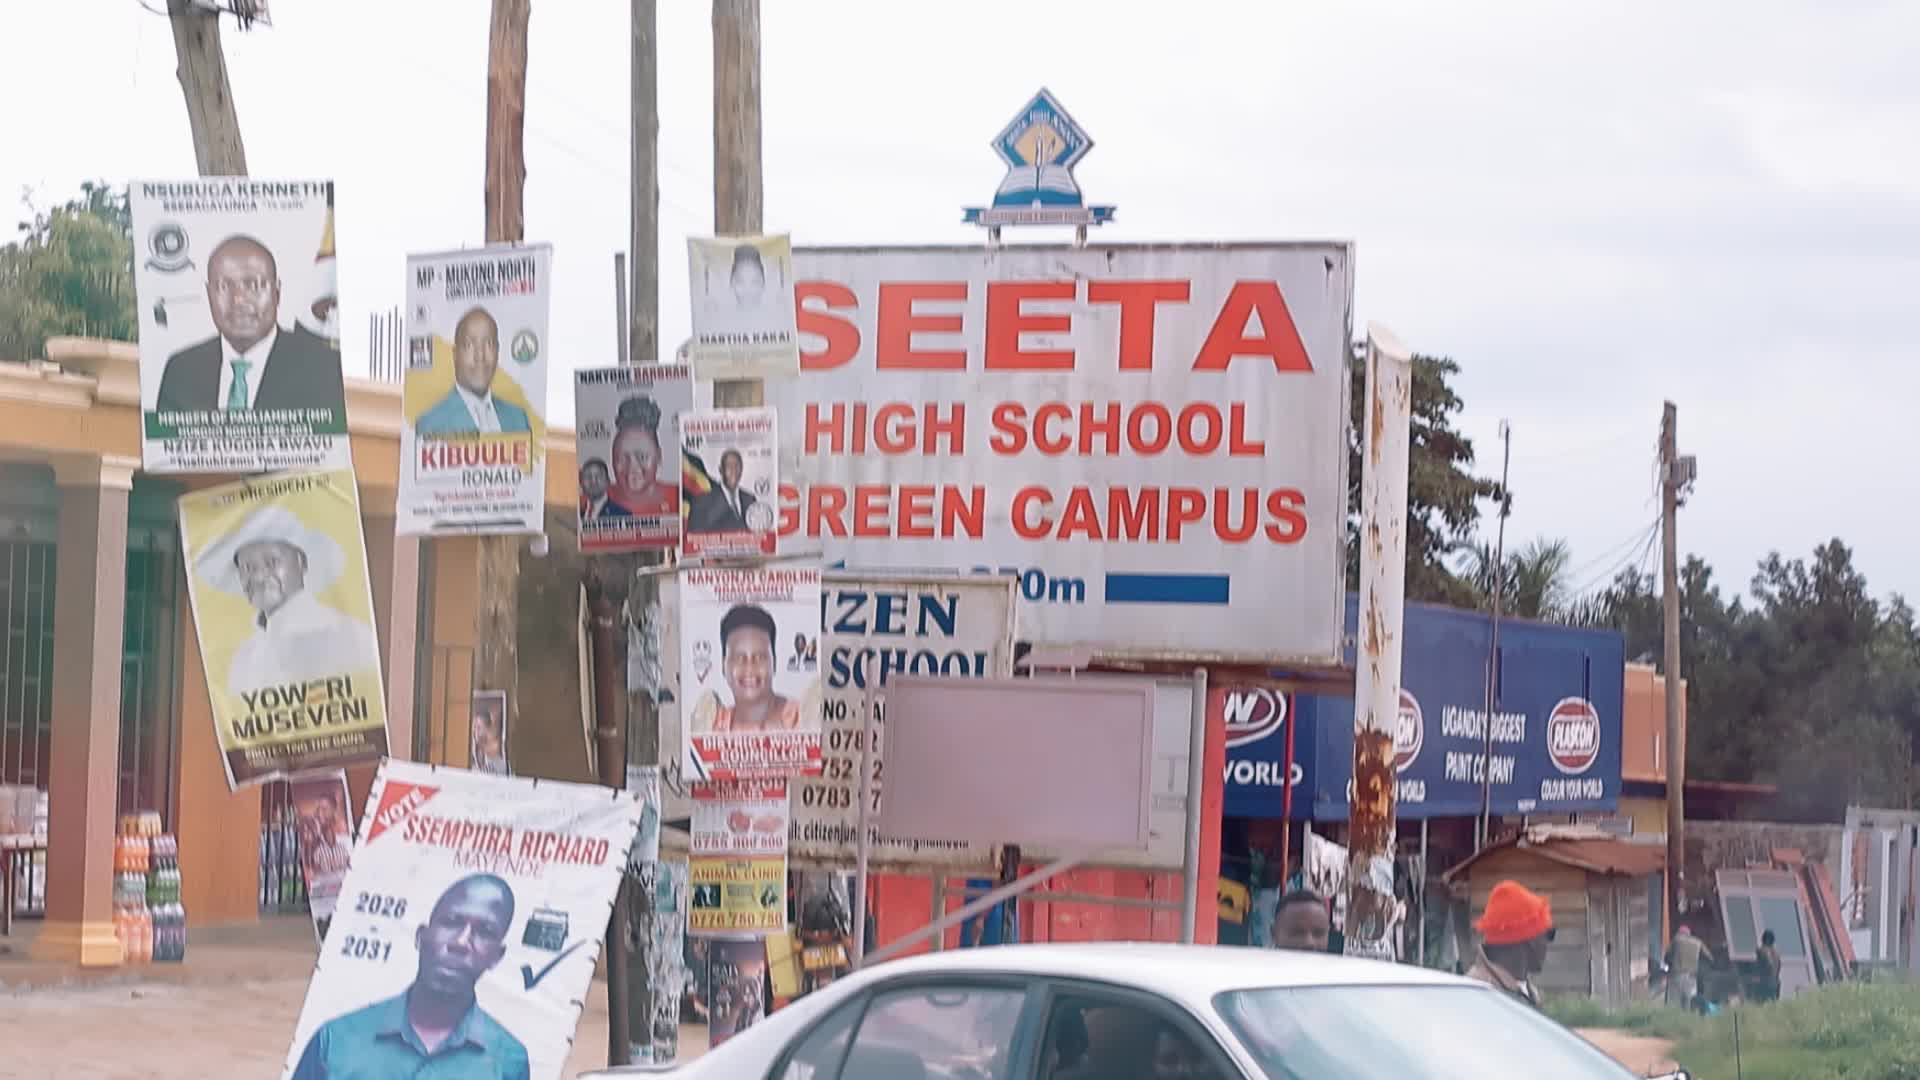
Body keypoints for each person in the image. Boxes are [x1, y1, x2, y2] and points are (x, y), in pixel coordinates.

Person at [292, 874, 530, 1079]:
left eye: (484, 932)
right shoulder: (336, 1041)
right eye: (452, 922)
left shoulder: (509, 1060)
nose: (461, 942)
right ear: (421, 936)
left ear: (496, 957)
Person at [196, 505, 380, 697]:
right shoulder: (244, 657)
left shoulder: (350, 636)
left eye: (272, 562)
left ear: (301, 563)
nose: (258, 576)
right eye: (247, 567)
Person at [156, 234, 346, 415]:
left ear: (277, 292)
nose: (239, 299)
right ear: (209, 294)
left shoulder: (323, 369)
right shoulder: (180, 370)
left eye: (254, 284)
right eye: (224, 286)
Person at [415, 307, 533, 435]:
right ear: (455, 354)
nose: (480, 356)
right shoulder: (431, 423)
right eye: (469, 345)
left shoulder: (519, 418)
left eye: (488, 343)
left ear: (497, 351)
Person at [696, 604, 802, 732]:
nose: (750, 668)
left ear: (774, 662)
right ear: (723, 666)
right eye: (739, 658)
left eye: (759, 657)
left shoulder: (801, 718)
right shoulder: (712, 727)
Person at [1466, 880, 1554, 1008]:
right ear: (1531, 941)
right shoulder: (1479, 993)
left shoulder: (1526, 991)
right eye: (1549, 934)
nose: (1548, 943)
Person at [605, 396, 677, 517]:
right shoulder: (593, 501)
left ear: (658, 456)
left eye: (642, 457)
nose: (633, 467)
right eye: (622, 458)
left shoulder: (680, 498)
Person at [689, 449, 758, 534]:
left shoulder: (750, 499)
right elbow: (694, 538)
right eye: (729, 466)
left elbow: (757, 532)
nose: (734, 470)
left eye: (737, 466)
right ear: (721, 470)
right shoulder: (702, 501)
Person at [1664, 922, 1705, 1009]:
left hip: (1677, 975)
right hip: (1692, 976)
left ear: (1679, 933)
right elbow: (1709, 958)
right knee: (1689, 1001)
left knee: (1673, 1002)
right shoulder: (1698, 942)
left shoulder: (1676, 940)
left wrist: (1669, 965)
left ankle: (1674, 1019)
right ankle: (1688, 1018)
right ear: (1689, 934)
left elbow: (1667, 957)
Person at [470, 699, 507, 775]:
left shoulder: (498, 757)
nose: (475, 731)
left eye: (479, 727)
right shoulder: (470, 753)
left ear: (487, 728)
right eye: (474, 727)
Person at [1755, 928, 1783, 1002]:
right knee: (1774, 1004)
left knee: (1763, 1004)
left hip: (1766, 982)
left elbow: (1765, 966)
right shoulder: (1776, 952)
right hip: (1776, 982)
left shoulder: (1761, 950)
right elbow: (1779, 966)